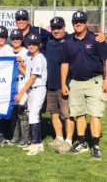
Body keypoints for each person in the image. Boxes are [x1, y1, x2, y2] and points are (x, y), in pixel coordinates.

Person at [61, 11, 107, 160]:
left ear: (87, 23)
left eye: (81, 21)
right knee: (79, 114)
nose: (78, 24)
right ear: (72, 24)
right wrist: (63, 83)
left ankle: (95, 146)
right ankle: (81, 143)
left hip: (94, 81)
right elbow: (65, 63)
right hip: (75, 83)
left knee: (95, 114)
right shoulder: (68, 41)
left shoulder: (96, 40)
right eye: (76, 22)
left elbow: (105, 59)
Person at [44, 17, 75, 153]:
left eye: (59, 28)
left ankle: (68, 141)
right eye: (54, 28)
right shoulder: (48, 40)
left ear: (64, 27)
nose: (56, 30)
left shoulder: (71, 39)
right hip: (51, 83)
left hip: (65, 84)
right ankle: (59, 137)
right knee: (54, 113)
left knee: (67, 114)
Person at [15, 34, 47, 155]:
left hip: (38, 88)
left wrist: (21, 93)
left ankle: (37, 144)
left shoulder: (39, 57)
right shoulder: (30, 57)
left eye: (35, 44)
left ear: (40, 45)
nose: (32, 46)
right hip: (31, 89)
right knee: (32, 115)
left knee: (34, 115)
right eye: (30, 43)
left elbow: (33, 78)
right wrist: (20, 64)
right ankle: (36, 142)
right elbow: (27, 73)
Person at [6, 29, 30, 148]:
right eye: (13, 38)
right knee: (13, 112)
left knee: (22, 113)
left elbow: (30, 75)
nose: (15, 40)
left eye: (18, 38)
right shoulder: (7, 52)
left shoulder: (26, 53)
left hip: (22, 83)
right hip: (10, 85)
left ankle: (25, 139)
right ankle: (15, 138)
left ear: (22, 40)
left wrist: (21, 66)